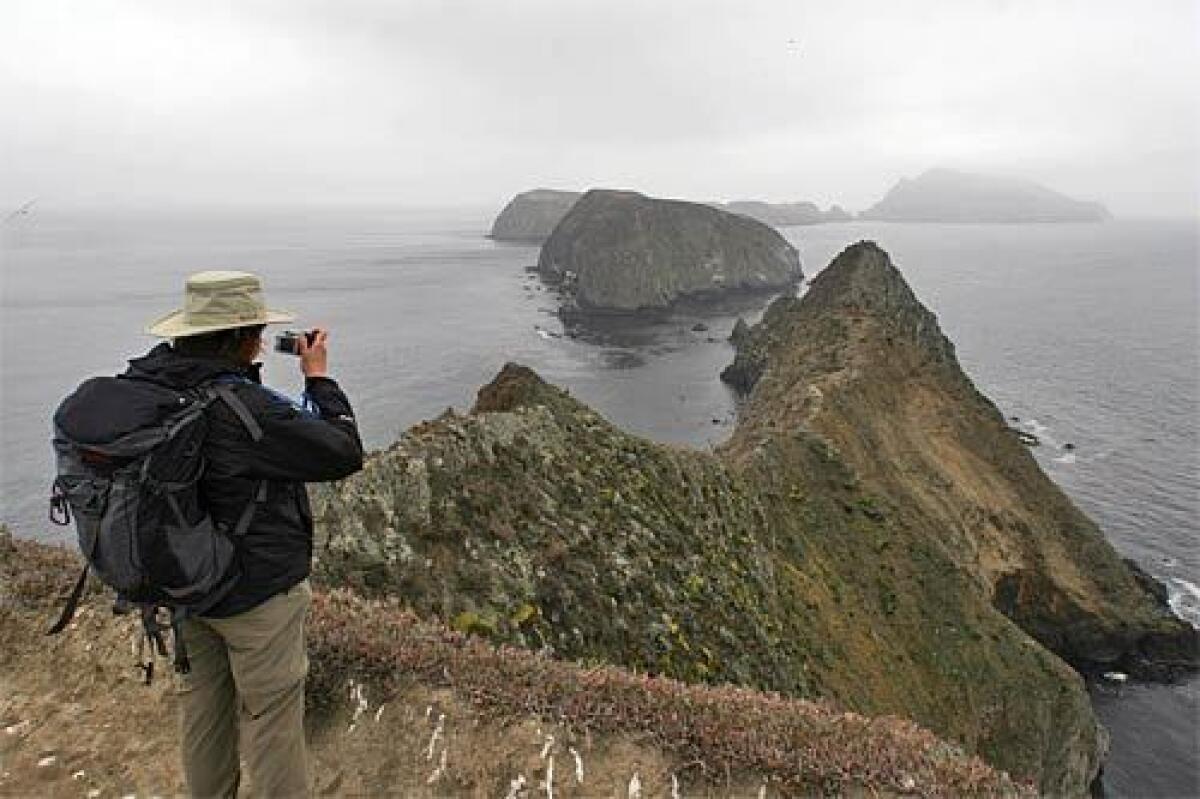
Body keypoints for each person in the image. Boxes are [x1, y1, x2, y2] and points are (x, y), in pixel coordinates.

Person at [134, 270, 364, 797]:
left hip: (184, 584)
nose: (262, 341)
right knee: (271, 722)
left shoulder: (153, 389)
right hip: (254, 596)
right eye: (256, 331)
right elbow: (342, 451)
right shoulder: (246, 410)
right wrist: (319, 378)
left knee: (204, 714)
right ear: (241, 338)